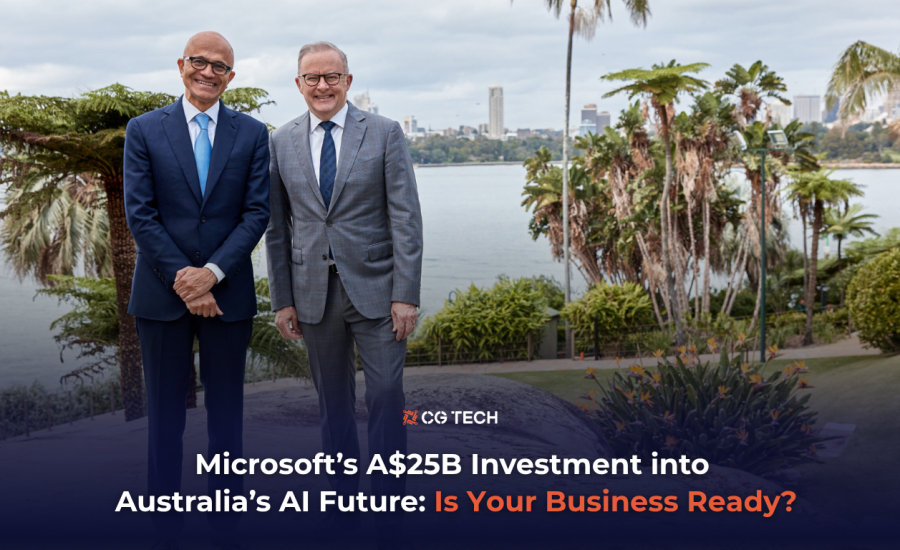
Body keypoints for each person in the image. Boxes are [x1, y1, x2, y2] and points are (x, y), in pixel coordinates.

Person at [265, 41, 422, 545]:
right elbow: (277, 230)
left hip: (379, 293)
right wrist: (282, 299)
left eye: (333, 76)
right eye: (312, 77)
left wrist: (407, 294)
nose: (323, 86)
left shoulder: (384, 133)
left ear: (348, 82)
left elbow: (406, 219)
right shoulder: (280, 141)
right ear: (298, 85)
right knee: (333, 408)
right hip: (312, 295)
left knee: (385, 397)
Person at [123, 31, 270, 548]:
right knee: (164, 419)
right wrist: (188, 281)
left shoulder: (253, 134)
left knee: (226, 418)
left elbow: (257, 213)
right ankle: (165, 525)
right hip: (161, 296)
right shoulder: (144, 130)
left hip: (227, 295)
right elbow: (140, 214)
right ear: (181, 65)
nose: (209, 72)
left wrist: (213, 274)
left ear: (232, 76)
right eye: (200, 63)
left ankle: (225, 522)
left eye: (221, 67)